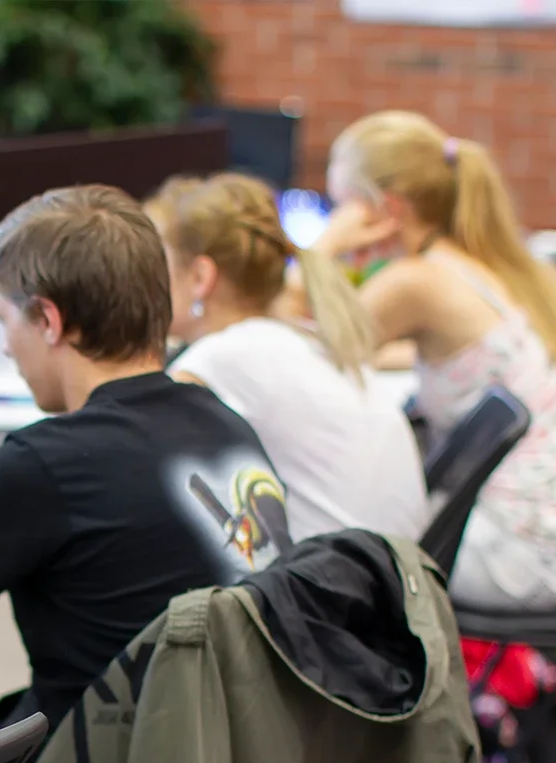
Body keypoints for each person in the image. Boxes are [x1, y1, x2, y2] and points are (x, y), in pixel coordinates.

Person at [0, 184, 291, 740]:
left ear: (47, 320)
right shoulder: (224, 424)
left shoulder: (45, 465)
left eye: (4, 321)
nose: (4, 346)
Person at [314, 110, 556, 610]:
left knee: (326, 539)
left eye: (343, 207)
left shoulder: (416, 280)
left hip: (538, 557)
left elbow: (311, 355)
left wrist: (322, 251)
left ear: (385, 209)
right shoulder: (500, 267)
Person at [148, 171, 429, 542]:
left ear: (201, 276)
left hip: (344, 585)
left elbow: (140, 459)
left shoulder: (222, 356)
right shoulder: (292, 337)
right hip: (395, 572)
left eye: (160, 264)